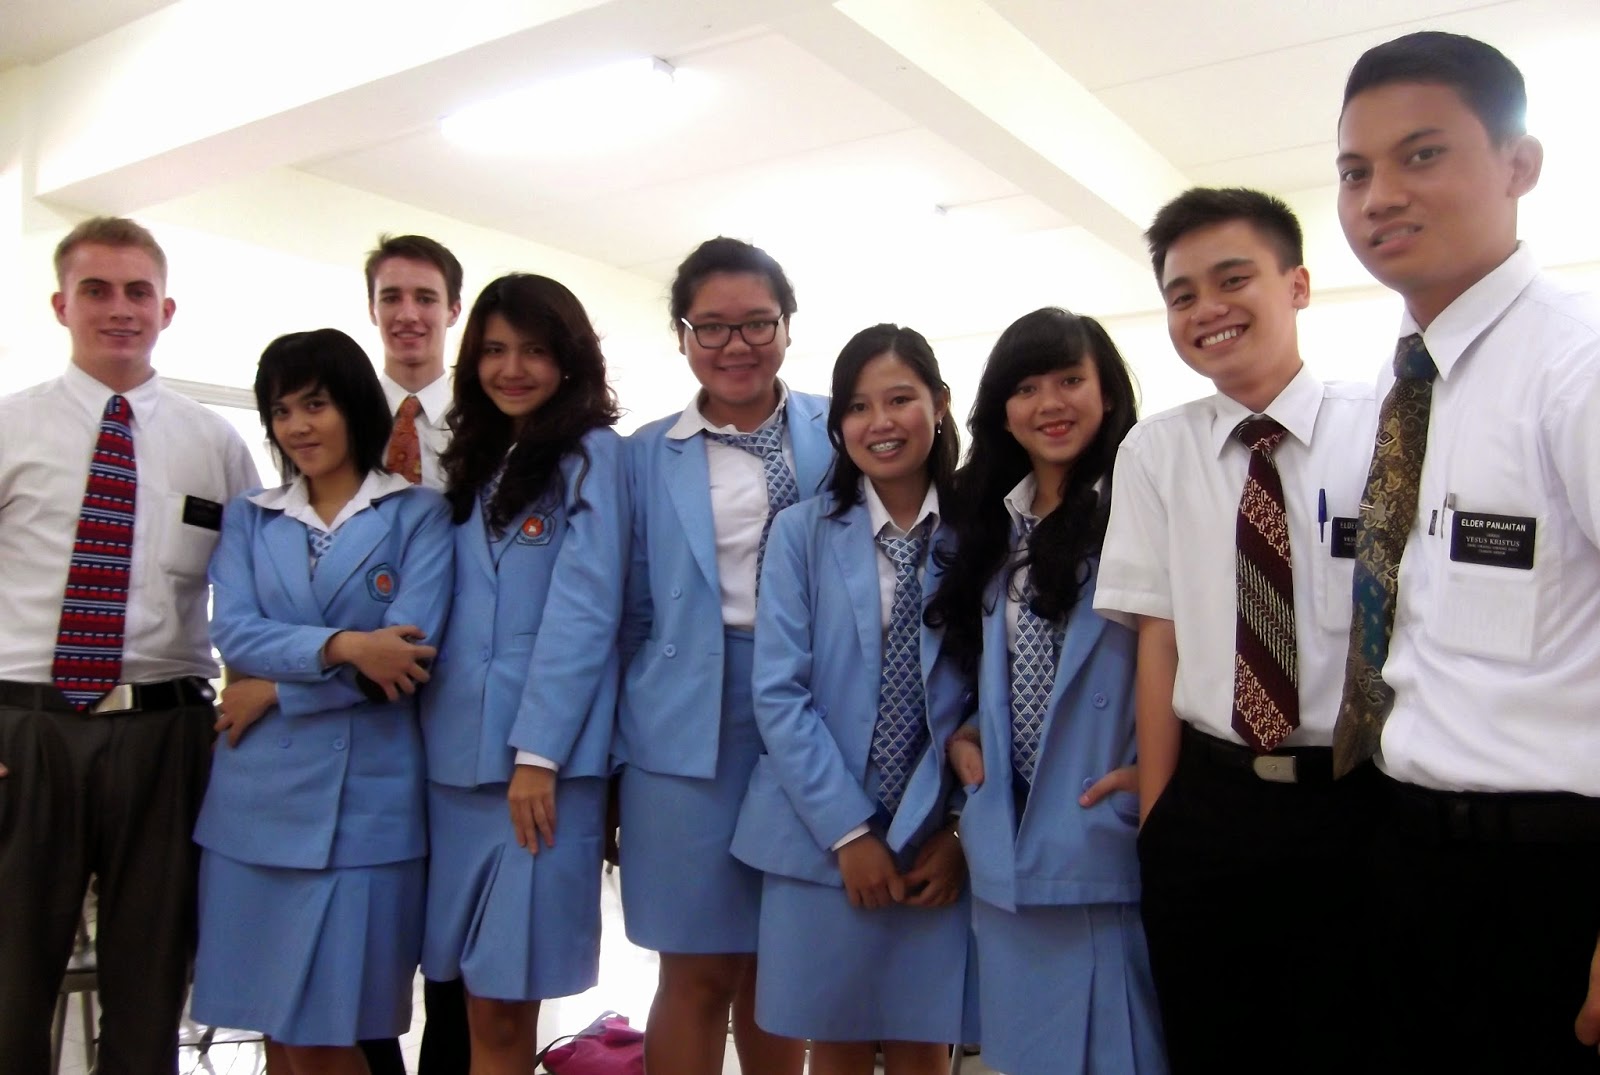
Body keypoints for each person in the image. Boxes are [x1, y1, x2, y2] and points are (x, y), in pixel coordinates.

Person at [1332, 31, 1600, 1071]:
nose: (1380, 196)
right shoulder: (1410, 379)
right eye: (1355, 170)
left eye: (1423, 154)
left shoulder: (1575, 364)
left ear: (1519, 164)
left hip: (1549, 874)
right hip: (1405, 847)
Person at [1093, 188, 1377, 1072]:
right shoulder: (1156, 451)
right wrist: (1162, 821)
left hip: (1364, 800)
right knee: (1213, 1044)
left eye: (1232, 279)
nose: (1207, 309)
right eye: (1182, 295)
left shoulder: (1382, 429)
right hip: (1212, 804)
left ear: (1297, 285)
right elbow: (1159, 639)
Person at [0, 217, 259, 1075]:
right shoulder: (10, 427)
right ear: (61, 305)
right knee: (9, 985)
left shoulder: (215, 445)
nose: (120, 308)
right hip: (25, 733)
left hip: (166, 736)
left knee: (150, 988)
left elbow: (254, 591)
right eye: (97, 290)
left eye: (138, 291)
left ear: (166, 308)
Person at [189, 328, 453, 1074]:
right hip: (253, 807)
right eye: (281, 411)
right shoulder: (251, 515)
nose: (298, 427)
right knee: (278, 1029)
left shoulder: (419, 514)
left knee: (329, 1033)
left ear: (355, 407)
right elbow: (234, 629)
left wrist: (276, 690)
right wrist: (344, 645)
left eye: (315, 405)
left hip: (365, 811)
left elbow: (405, 659)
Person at [928, 307, 1165, 1075]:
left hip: (1102, 837)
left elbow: (1196, 655)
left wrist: (1164, 773)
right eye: (1026, 387)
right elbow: (990, 663)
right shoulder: (996, 523)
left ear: (1108, 392)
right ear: (1002, 410)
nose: (1049, 403)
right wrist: (971, 731)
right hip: (1009, 844)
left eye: (1069, 380)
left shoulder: (1142, 507)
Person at [731, 323, 972, 1075]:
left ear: (939, 403)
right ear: (838, 424)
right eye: (858, 406)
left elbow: (993, 701)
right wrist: (848, 832)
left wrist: (958, 831)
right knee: (831, 1037)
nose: (880, 422)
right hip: (818, 834)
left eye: (900, 399)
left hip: (935, 837)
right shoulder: (800, 533)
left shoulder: (982, 533)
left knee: (922, 1038)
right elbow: (779, 694)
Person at [617, 236, 825, 1075]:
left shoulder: (842, 428)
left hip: (812, 712)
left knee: (782, 962)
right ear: (683, 335)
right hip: (681, 728)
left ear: (787, 326)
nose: (735, 345)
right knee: (697, 967)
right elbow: (625, 612)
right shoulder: (643, 454)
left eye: (756, 323)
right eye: (711, 326)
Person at [420, 274, 626, 1074]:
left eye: (534, 350)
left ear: (569, 359)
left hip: (539, 771)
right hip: (450, 765)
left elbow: (586, 611)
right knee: (468, 996)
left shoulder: (592, 456)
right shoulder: (473, 457)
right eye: (495, 350)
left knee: (507, 1006)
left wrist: (538, 753)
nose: (512, 369)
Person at [362, 231, 469, 1073]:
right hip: (359, 705)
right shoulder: (336, 421)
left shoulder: (488, 423)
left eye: (426, 297)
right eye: (392, 297)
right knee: (366, 920)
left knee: (457, 936)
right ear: (371, 308)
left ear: (452, 310)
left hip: (464, 696)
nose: (409, 314)